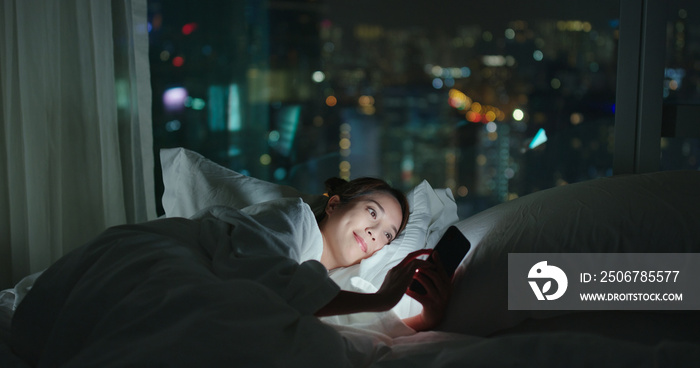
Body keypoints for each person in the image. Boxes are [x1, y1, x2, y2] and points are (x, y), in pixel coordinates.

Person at [313, 177, 451, 332]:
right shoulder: (294, 221)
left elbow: (356, 334)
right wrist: (383, 299)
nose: (374, 233)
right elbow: (294, 298)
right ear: (334, 205)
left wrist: (425, 320)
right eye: (372, 213)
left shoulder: (323, 282)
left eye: (387, 235)